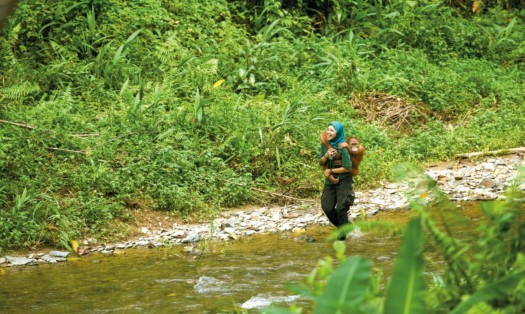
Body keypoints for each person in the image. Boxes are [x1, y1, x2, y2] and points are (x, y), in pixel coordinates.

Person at [319, 121, 355, 240]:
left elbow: (348, 167)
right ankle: (345, 227)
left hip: (343, 181)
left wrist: (331, 172)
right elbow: (321, 162)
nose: (328, 132)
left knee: (341, 208)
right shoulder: (325, 144)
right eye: (328, 129)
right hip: (330, 181)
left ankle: (342, 238)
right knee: (327, 207)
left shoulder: (343, 147)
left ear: (338, 133)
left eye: (332, 130)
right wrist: (326, 156)